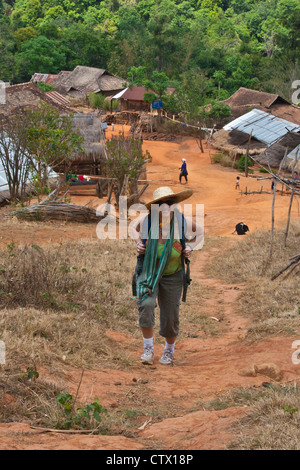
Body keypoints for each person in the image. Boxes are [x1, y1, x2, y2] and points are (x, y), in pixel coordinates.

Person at [131, 187, 204, 366]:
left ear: (174, 205)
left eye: (169, 203)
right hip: (149, 272)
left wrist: (190, 248)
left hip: (173, 275)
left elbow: (200, 232)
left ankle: (169, 350)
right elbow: (133, 227)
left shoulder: (181, 222)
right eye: (160, 204)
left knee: (170, 315)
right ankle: (148, 349)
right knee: (146, 305)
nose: (165, 207)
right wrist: (138, 242)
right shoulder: (148, 221)